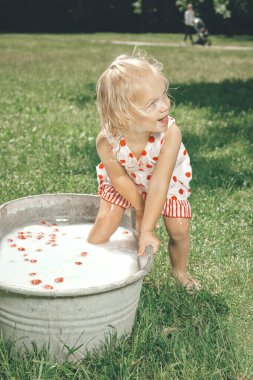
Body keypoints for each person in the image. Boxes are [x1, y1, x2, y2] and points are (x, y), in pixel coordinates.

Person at [88, 51, 200, 291]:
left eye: (164, 95)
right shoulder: (107, 141)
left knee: (179, 228)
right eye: (152, 103)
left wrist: (147, 227)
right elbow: (118, 177)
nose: (165, 106)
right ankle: (91, 258)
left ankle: (179, 271)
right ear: (123, 115)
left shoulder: (170, 134)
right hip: (127, 182)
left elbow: (160, 183)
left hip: (167, 185)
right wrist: (139, 208)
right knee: (106, 220)